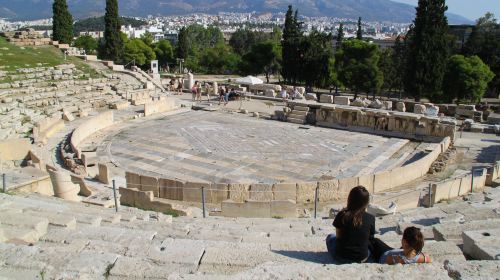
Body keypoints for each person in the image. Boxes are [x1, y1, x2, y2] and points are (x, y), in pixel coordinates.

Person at [326, 186, 375, 263]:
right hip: (362, 258)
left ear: (350, 199)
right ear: (366, 202)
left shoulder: (342, 215)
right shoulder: (371, 218)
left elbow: (338, 236)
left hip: (341, 257)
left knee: (330, 237)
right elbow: (370, 239)